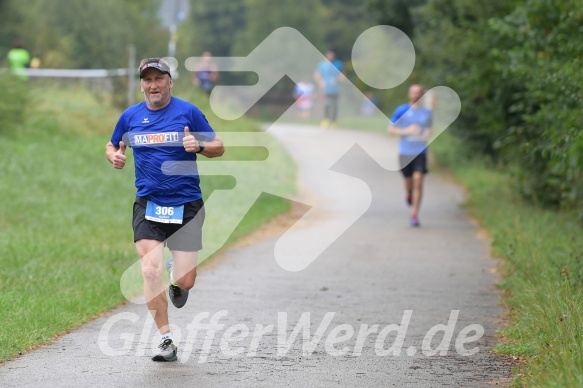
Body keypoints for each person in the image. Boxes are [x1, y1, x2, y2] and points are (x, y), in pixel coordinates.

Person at [105, 58, 224, 362]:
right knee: (149, 268)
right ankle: (165, 340)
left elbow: (219, 146)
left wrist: (197, 146)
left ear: (170, 82)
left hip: (186, 205)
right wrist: (114, 157)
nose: (153, 85)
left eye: (159, 79)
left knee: (186, 282)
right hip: (149, 204)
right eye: (148, 80)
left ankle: (177, 275)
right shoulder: (130, 117)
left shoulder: (188, 112)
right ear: (142, 84)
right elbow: (112, 144)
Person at [387, 84, 432, 227]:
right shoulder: (401, 110)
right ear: (409, 94)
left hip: (420, 152)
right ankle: (409, 193)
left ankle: (414, 215)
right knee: (409, 181)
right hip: (405, 152)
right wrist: (407, 131)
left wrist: (426, 133)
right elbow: (391, 130)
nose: (416, 95)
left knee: (418, 180)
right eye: (413, 92)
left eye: (419, 93)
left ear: (422, 95)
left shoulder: (427, 112)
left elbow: (430, 128)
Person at [313, 50, 344, 128]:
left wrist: (338, 79)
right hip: (325, 89)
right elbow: (317, 75)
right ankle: (325, 120)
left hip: (335, 89)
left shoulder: (338, 64)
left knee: (335, 106)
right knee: (326, 105)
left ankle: (333, 122)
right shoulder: (322, 65)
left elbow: (343, 74)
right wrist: (320, 82)